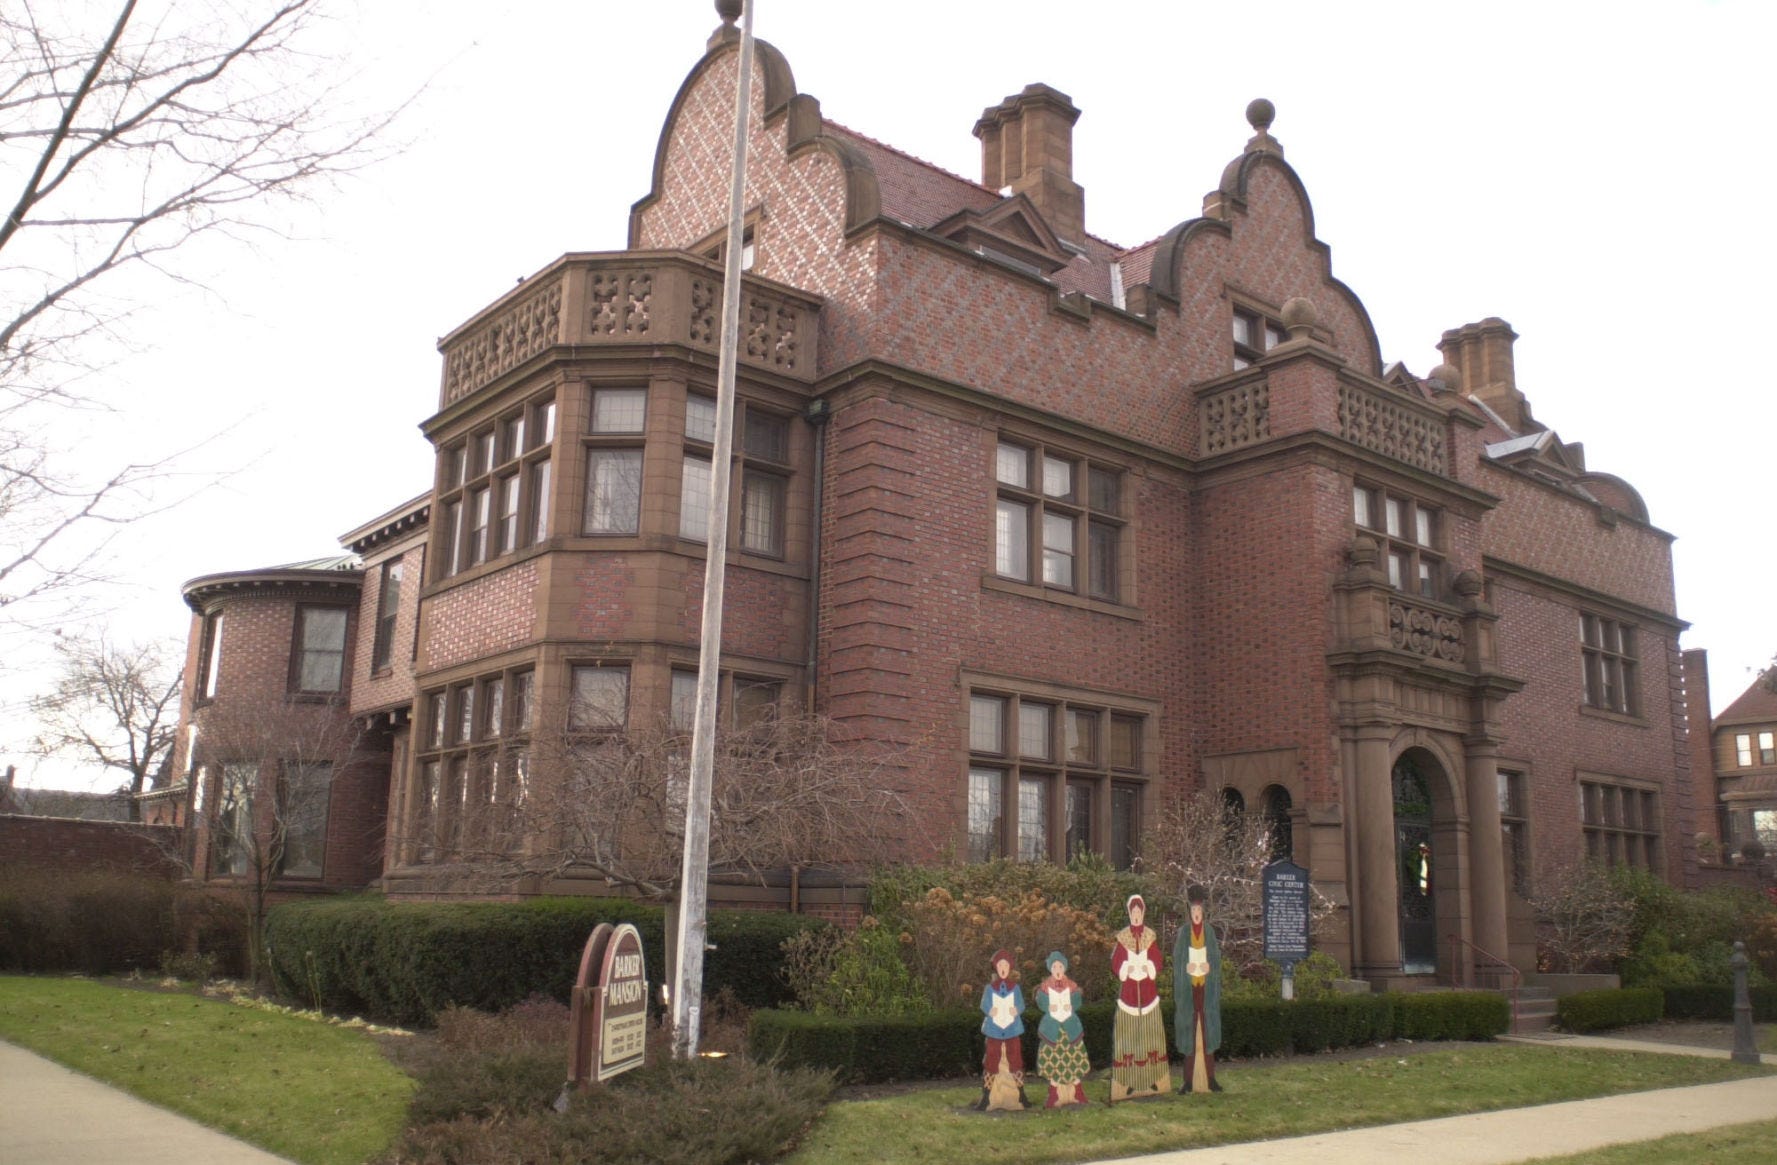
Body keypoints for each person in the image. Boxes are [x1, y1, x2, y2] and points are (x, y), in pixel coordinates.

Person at [1109, 893, 1170, 1101]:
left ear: (1142, 913)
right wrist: (1126, 966)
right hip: (1128, 999)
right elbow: (1116, 963)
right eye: (1133, 912)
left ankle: (1152, 1079)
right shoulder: (1123, 937)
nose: (1136, 916)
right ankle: (1128, 1082)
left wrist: (1148, 965)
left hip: (1148, 995)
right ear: (1129, 913)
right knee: (1129, 1040)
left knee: (1149, 1038)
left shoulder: (1150, 937)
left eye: (1139, 912)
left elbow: (1158, 961)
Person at [1172, 883, 1224, 1093]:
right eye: (1193, 910)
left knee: (1207, 1032)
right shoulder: (1184, 933)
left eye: (1199, 911)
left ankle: (1210, 1078)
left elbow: (1215, 958)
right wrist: (1186, 967)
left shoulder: (1209, 933)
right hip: (1190, 991)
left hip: (1205, 991)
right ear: (1189, 913)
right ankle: (1188, 1080)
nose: (1196, 914)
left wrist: (1209, 966)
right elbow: (1178, 959)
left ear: (1203, 912)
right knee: (1189, 1032)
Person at [977, 948, 1029, 1111]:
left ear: (1010, 967)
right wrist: (990, 1009)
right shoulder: (990, 988)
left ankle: (1021, 1093)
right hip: (994, 1029)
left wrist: (1017, 1009)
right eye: (1000, 965)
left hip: (1012, 1028)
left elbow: (1021, 1004)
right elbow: (984, 1004)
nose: (1003, 968)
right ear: (996, 968)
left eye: (1006, 965)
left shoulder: (1015, 988)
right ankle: (986, 1096)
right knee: (991, 1059)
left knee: (1016, 1058)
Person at [1035, 949, 1089, 1107]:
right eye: (1054, 967)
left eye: (1060, 967)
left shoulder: (1072, 985)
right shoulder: (1044, 987)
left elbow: (1078, 1002)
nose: (1057, 970)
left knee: (1074, 1059)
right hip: (1053, 1029)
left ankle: (1077, 1091)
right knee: (1053, 1061)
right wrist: (1048, 1005)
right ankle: (1054, 1093)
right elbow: (1041, 1002)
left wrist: (1071, 1003)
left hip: (1070, 1028)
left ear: (1064, 968)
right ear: (1050, 969)